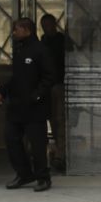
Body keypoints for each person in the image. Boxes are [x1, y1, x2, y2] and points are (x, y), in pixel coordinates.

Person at [0, 17, 56, 192]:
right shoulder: (20, 50)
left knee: (37, 144)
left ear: (26, 30)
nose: (14, 33)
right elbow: (16, 78)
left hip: (34, 108)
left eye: (16, 29)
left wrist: (37, 95)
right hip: (16, 107)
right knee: (11, 139)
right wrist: (3, 90)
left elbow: (49, 77)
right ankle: (24, 174)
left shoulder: (40, 50)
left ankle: (43, 177)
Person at [39, 13, 68, 173]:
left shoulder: (61, 41)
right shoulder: (43, 41)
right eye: (44, 26)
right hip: (48, 86)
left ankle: (61, 154)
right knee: (52, 120)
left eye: (49, 25)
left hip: (59, 84)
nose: (47, 29)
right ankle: (56, 152)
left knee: (60, 120)